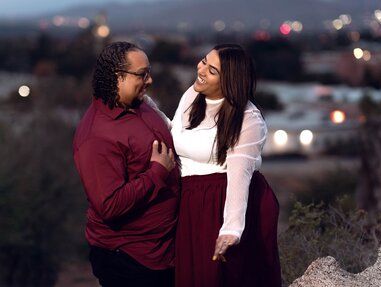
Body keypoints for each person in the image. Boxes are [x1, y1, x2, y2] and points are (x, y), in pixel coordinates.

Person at [171, 43, 281, 287]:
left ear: (229, 81)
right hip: (191, 201)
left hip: (226, 201)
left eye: (212, 71)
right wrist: (145, 107)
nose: (201, 70)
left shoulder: (248, 119)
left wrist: (231, 228)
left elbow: (239, 174)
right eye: (203, 61)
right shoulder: (192, 96)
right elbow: (175, 131)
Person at [73, 41, 180, 287]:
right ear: (117, 78)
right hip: (130, 260)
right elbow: (109, 205)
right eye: (142, 74)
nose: (150, 80)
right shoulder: (96, 136)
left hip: (164, 252)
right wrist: (157, 172)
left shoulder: (142, 107)